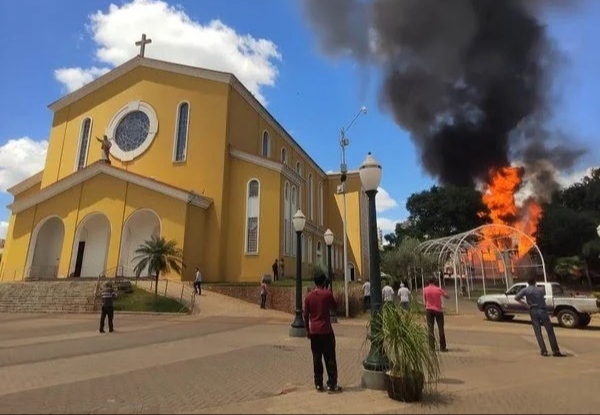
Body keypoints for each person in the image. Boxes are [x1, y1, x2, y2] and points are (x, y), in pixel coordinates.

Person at [304, 274, 341, 393]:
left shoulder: (308, 296)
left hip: (314, 330)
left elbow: (305, 315)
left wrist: (307, 330)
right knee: (330, 357)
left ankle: (318, 383)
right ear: (324, 282)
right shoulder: (327, 294)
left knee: (316, 357)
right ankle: (332, 383)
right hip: (326, 330)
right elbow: (335, 307)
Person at [515, 276, 565, 357]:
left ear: (527, 282)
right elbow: (543, 297)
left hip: (533, 310)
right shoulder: (541, 290)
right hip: (542, 310)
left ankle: (543, 350)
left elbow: (516, 297)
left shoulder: (525, 290)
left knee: (538, 331)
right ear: (535, 282)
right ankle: (555, 351)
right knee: (550, 331)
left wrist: (526, 305)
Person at [423, 278, 449, 352]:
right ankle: (442, 347)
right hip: (438, 310)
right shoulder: (438, 289)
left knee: (430, 328)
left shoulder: (425, 289)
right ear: (434, 282)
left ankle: (431, 347)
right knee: (441, 328)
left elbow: (425, 299)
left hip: (429, 309)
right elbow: (447, 296)